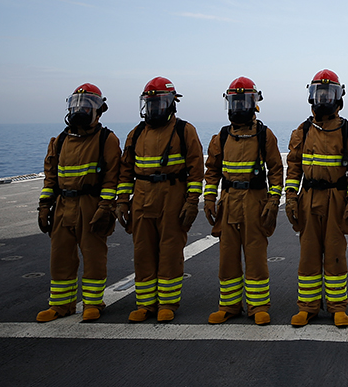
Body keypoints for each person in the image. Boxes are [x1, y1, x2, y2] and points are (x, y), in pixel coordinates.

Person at [118, 77, 204, 323]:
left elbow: (196, 170)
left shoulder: (184, 131)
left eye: (160, 103)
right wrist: (122, 201)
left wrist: (191, 201)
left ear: (172, 104)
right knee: (142, 251)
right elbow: (125, 172)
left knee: (170, 251)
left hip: (172, 197)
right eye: (150, 103)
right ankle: (145, 304)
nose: (154, 108)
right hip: (142, 198)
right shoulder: (135, 134)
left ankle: (167, 303)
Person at [36, 83, 122, 322]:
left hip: (91, 205)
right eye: (77, 104)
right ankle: (60, 305)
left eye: (87, 106)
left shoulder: (107, 140)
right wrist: (44, 206)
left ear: (99, 110)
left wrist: (105, 208)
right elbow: (51, 178)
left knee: (94, 256)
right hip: (64, 206)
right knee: (60, 256)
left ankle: (93, 303)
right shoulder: (60, 141)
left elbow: (111, 177)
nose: (80, 110)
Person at [285, 69, 348, 327]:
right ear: (311, 95)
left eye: (328, 93)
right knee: (308, 253)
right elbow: (293, 167)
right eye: (319, 93)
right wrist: (291, 198)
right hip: (308, 198)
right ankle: (307, 307)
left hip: (336, 199)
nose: (323, 98)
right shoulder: (303, 131)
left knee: (335, 252)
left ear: (338, 96)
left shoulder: (347, 131)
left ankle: (337, 307)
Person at [203, 77, 284, 325]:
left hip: (254, 202)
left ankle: (258, 306)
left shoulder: (264, 135)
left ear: (254, 103)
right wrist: (208, 198)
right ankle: (229, 306)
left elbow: (276, 170)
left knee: (256, 255)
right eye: (235, 101)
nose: (239, 106)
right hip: (228, 203)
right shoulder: (222, 137)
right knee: (227, 255)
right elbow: (212, 170)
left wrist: (273, 200)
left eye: (244, 101)